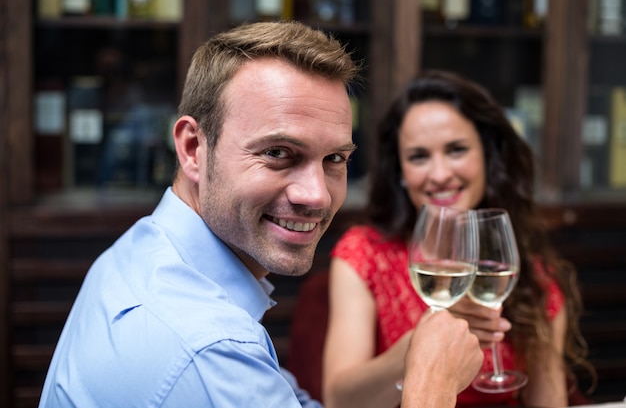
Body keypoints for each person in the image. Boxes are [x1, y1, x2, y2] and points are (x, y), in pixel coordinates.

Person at [38, 23, 483, 408]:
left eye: (334, 159)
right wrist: (432, 383)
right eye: (277, 153)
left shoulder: (143, 248)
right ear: (193, 148)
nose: (317, 196)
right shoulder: (210, 349)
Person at [323, 70, 596, 408]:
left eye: (456, 150)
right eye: (419, 156)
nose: (439, 175)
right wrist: (419, 347)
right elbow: (338, 401)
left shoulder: (528, 273)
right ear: (402, 173)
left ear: (487, 157)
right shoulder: (364, 253)